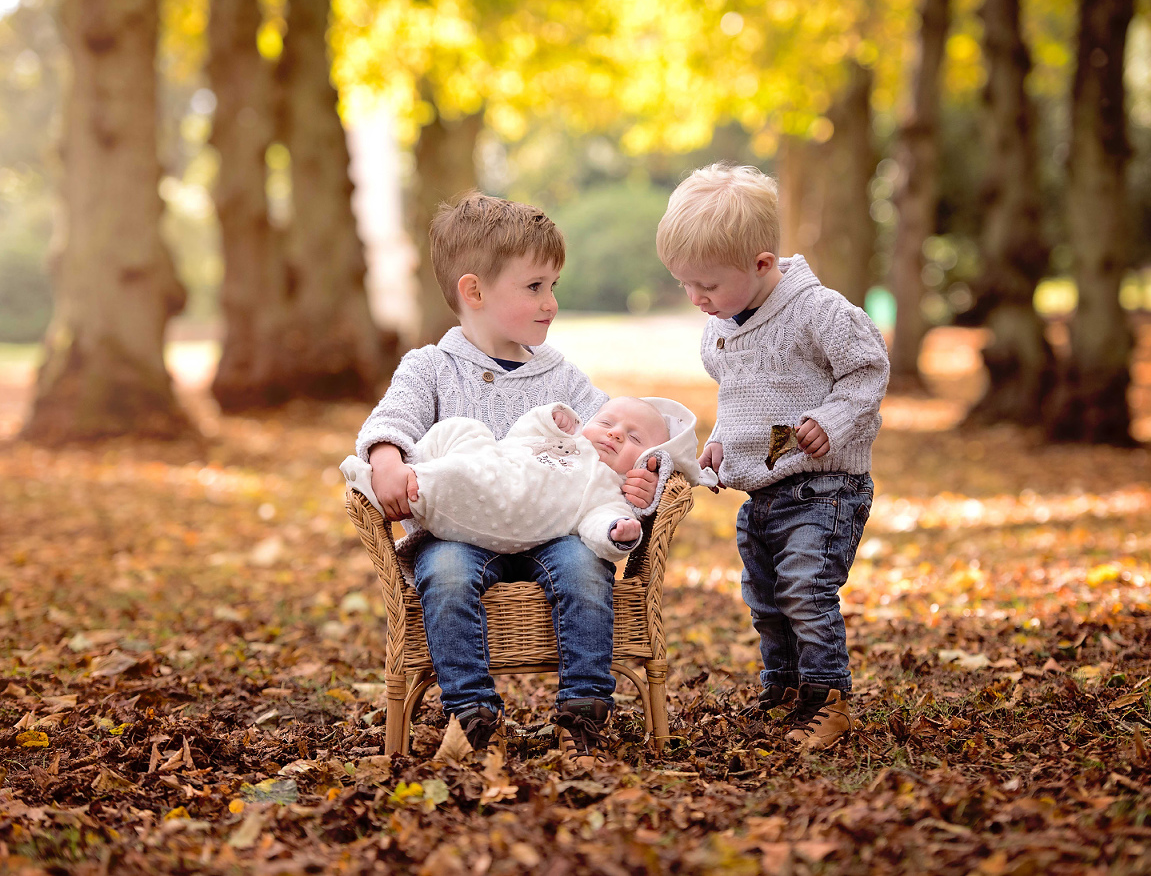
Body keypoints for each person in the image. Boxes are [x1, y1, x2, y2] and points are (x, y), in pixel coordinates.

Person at [353, 192, 663, 768]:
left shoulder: (561, 375)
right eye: (534, 287)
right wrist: (388, 458)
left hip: (551, 529)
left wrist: (641, 479)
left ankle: (584, 703)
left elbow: (618, 436)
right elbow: (389, 421)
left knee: (585, 567)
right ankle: (472, 711)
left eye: (553, 286)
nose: (550, 302)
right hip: (459, 532)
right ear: (474, 292)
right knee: (443, 574)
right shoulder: (430, 367)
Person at [656, 163, 889, 750]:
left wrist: (831, 421)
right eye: (685, 284)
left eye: (706, 284)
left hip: (824, 488)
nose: (695, 298)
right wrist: (721, 443)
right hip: (764, 491)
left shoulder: (819, 312)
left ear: (762, 264)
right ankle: (783, 686)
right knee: (764, 595)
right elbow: (744, 401)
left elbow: (868, 368)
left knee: (805, 588)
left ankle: (827, 697)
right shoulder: (721, 326)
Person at [403, 398, 670, 560]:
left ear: (644, 459)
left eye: (634, 438)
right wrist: (549, 419)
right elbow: (521, 435)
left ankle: (416, 487)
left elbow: (599, 523)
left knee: (460, 476)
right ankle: (409, 468)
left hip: (507, 503)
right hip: (497, 460)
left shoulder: (607, 489)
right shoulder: (569, 438)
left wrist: (617, 532)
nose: (615, 434)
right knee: (461, 429)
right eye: (605, 423)